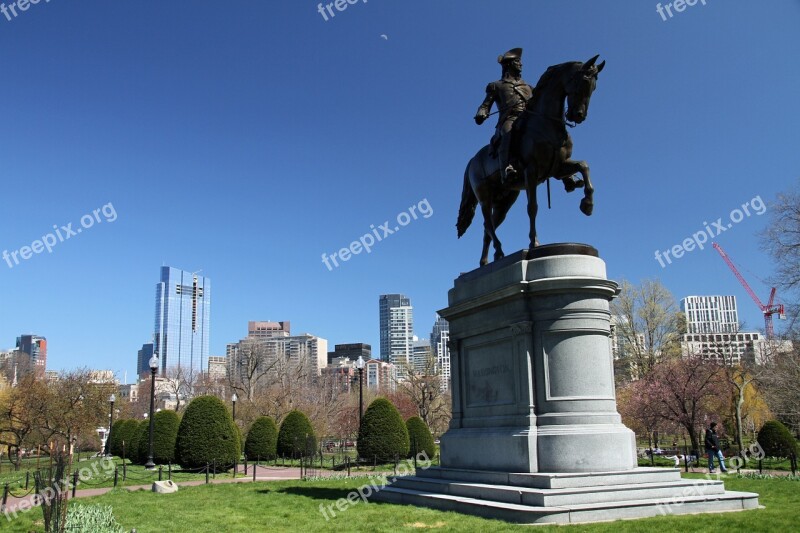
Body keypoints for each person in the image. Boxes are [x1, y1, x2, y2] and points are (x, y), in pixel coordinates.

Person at [474, 48, 534, 185]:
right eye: (517, 61)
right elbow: (485, 105)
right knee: (508, 132)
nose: (521, 64)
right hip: (509, 119)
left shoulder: (529, 87)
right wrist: (481, 112)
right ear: (509, 64)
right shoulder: (497, 86)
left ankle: (562, 170)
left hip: (528, 119)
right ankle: (506, 168)